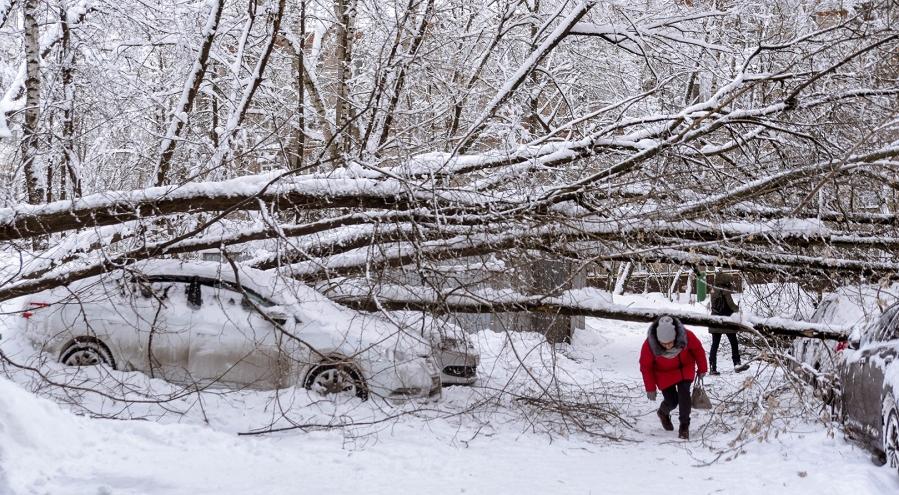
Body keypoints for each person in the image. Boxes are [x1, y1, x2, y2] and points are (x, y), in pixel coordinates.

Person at [639, 315, 708, 440]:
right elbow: (645, 366)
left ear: (675, 336)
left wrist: (702, 368)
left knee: (684, 395)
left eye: (670, 343)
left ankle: (684, 426)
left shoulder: (686, 336)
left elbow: (698, 350)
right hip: (663, 373)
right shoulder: (649, 344)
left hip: (685, 368)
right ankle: (663, 412)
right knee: (672, 401)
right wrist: (650, 388)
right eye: (663, 344)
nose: (668, 346)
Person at [708, 274, 748, 375]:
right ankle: (737, 364)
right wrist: (739, 310)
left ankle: (712, 368)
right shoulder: (725, 290)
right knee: (734, 343)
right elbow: (731, 306)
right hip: (726, 321)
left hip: (715, 320)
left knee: (715, 345)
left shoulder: (713, 289)